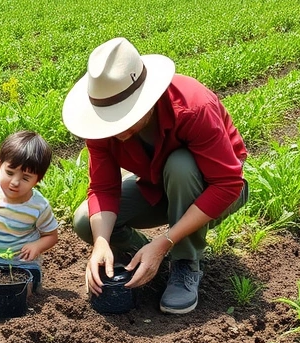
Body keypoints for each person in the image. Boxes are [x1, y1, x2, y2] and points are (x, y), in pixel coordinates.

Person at [62, 37, 248, 314]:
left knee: (180, 164)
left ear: (146, 99)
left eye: (123, 116)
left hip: (214, 191)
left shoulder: (194, 107)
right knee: (85, 222)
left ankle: (185, 262)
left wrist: (166, 242)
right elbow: (103, 188)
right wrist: (101, 243)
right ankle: (143, 258)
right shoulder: (101, 126)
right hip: (158, 187)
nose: (115, 128)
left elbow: (227, 184)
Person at [0, 131, 59, 292]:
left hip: (23, 263)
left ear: (38, 180)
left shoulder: (38, 205)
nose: (15, 182)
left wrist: (37, 246)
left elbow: (52, 236)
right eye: (9, 172)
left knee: (24, 289)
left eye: (26, 178)